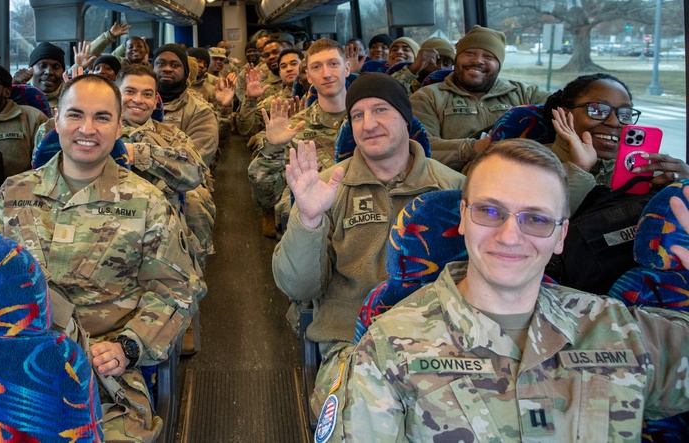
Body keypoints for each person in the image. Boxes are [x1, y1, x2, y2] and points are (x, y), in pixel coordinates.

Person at [315, 139, 689, 442]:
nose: (509, 236)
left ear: (561, 236)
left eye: (536, 219)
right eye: (490, 212)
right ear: (462, 218)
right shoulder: (388, 348)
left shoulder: (622, 329)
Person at [0, 74, 203, 442]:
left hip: (105, 364)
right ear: (56, 121)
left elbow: (176, 291)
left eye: (102, 117)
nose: (87, 128)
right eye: (76, 115)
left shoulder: (147, 203)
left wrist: (130, 346)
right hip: (16, 356)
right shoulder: (10, 196)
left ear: (119, 127)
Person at [273, 72, 464, 414]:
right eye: (357, 115)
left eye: (380, 110)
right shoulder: (328, 187)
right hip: (352, 337)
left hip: (444, 337)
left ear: (406, 119)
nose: (368, 124)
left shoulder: (454, 189)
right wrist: (308, 220)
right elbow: (299, 287)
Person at [248, 40, 351, 238]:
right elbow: (266, 198)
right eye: (316, 67)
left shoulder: (369, 121)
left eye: (333, 64)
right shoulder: (295, 128)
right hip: (315, 227)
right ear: (309, 77)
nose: (326, 73)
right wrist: (273, 148)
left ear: (347, 68)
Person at [410, 25, 550, 171]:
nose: (477, 60)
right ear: (457, 59)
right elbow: (421, 147)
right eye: (469, 53)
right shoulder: (427, 97)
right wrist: (474, 147)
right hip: (457, 183)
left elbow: (566, 104)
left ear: (499, 65)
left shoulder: (523, 93)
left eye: (489, 56)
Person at [544, 73, 689, 213]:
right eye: (597, 110)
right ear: (564, 115)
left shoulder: (654, 174)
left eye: (625, 114)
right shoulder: (529, 162)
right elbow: (542, 223)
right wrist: (579, 170)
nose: (614, 122)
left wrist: (684, 186)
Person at [118, 64, 215, 263]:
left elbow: (195, 173)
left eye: (147, 94)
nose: (137, 100)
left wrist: (139, 153)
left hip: (163, 221)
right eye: (129, 91)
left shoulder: (172, 136)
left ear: (155, 102)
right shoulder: (99, 132)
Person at [153, 44, 220, 167]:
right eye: (161, 64)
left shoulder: (200, 111)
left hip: (183, 184)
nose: (167, 69)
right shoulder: (138, 105)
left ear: (186, 72)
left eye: (175, 65)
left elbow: (194, 161)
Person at [236, 48, 303, 138]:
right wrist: (250, 99)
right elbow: (246, 130)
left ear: (304, 67)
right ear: (280, 74)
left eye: (294, 64)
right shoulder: (273, 103)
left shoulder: (320, 96)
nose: (289, 69)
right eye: (283, 66)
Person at [390, 36, 455, 95]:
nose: (440, 67)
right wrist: (413, 69)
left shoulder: (457, 89)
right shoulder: (412, 89)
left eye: (446, 63)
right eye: (435, 61)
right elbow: (389, 92)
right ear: (423, 63)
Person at [14, 42, 68, 110]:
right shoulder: (19, 97)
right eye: (42, 66)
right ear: (31, 69)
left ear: (63, 72)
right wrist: (13, 90)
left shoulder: (71, 97)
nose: (49, 72)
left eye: (56, 67)